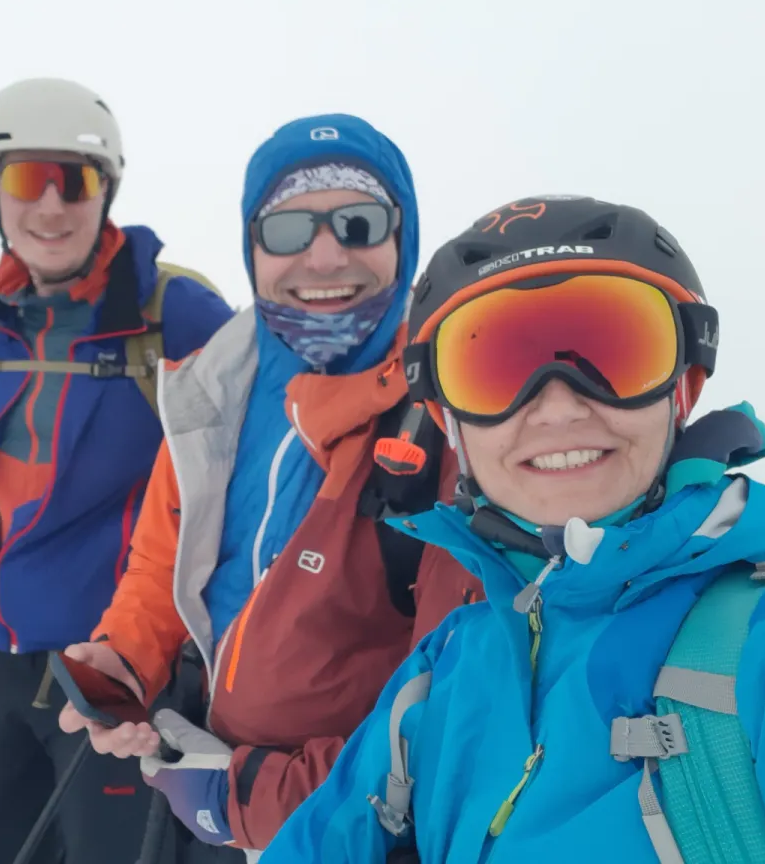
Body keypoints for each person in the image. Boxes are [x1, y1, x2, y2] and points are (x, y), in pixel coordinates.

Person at [258, 195, 765, 863]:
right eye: (497, 367)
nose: (558, 408)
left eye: (615, 351)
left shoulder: (764, 639)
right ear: (451, 424)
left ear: (681, 388)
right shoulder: (446, 665)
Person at [58, 113, 485, 862]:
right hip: (207, 771)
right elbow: (164, 564)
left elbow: (449, 698)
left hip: (347, 820)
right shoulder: (214, 385)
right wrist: (126, 658)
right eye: (288, 230)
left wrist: (249, 798)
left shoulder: (453, 414)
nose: (324, 257)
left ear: (404, 237)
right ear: (251, 247)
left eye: (358, 224)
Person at [0, 77, 234, 864]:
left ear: (106, 189)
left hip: (109, 664)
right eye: (27, 179)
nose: (50, 206)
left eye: (75, 180)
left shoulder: (174, 314)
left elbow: (238, 475)